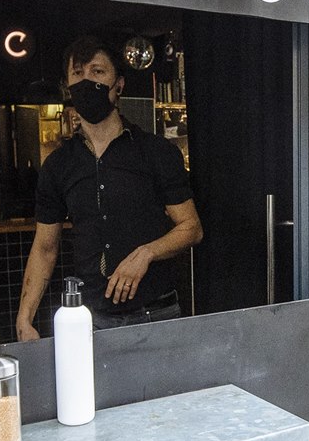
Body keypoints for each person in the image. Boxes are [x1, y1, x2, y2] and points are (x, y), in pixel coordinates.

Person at [15, 36, 202, 337]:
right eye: (78, 73)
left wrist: (146, 253)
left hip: (156, 315)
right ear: (68, 86)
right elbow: (45, 248)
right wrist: (25, 318)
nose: (87, 81)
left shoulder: (156, 152)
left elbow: (191, 228)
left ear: (119, 85)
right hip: (92, 320)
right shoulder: (58, 165)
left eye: (98, 71)